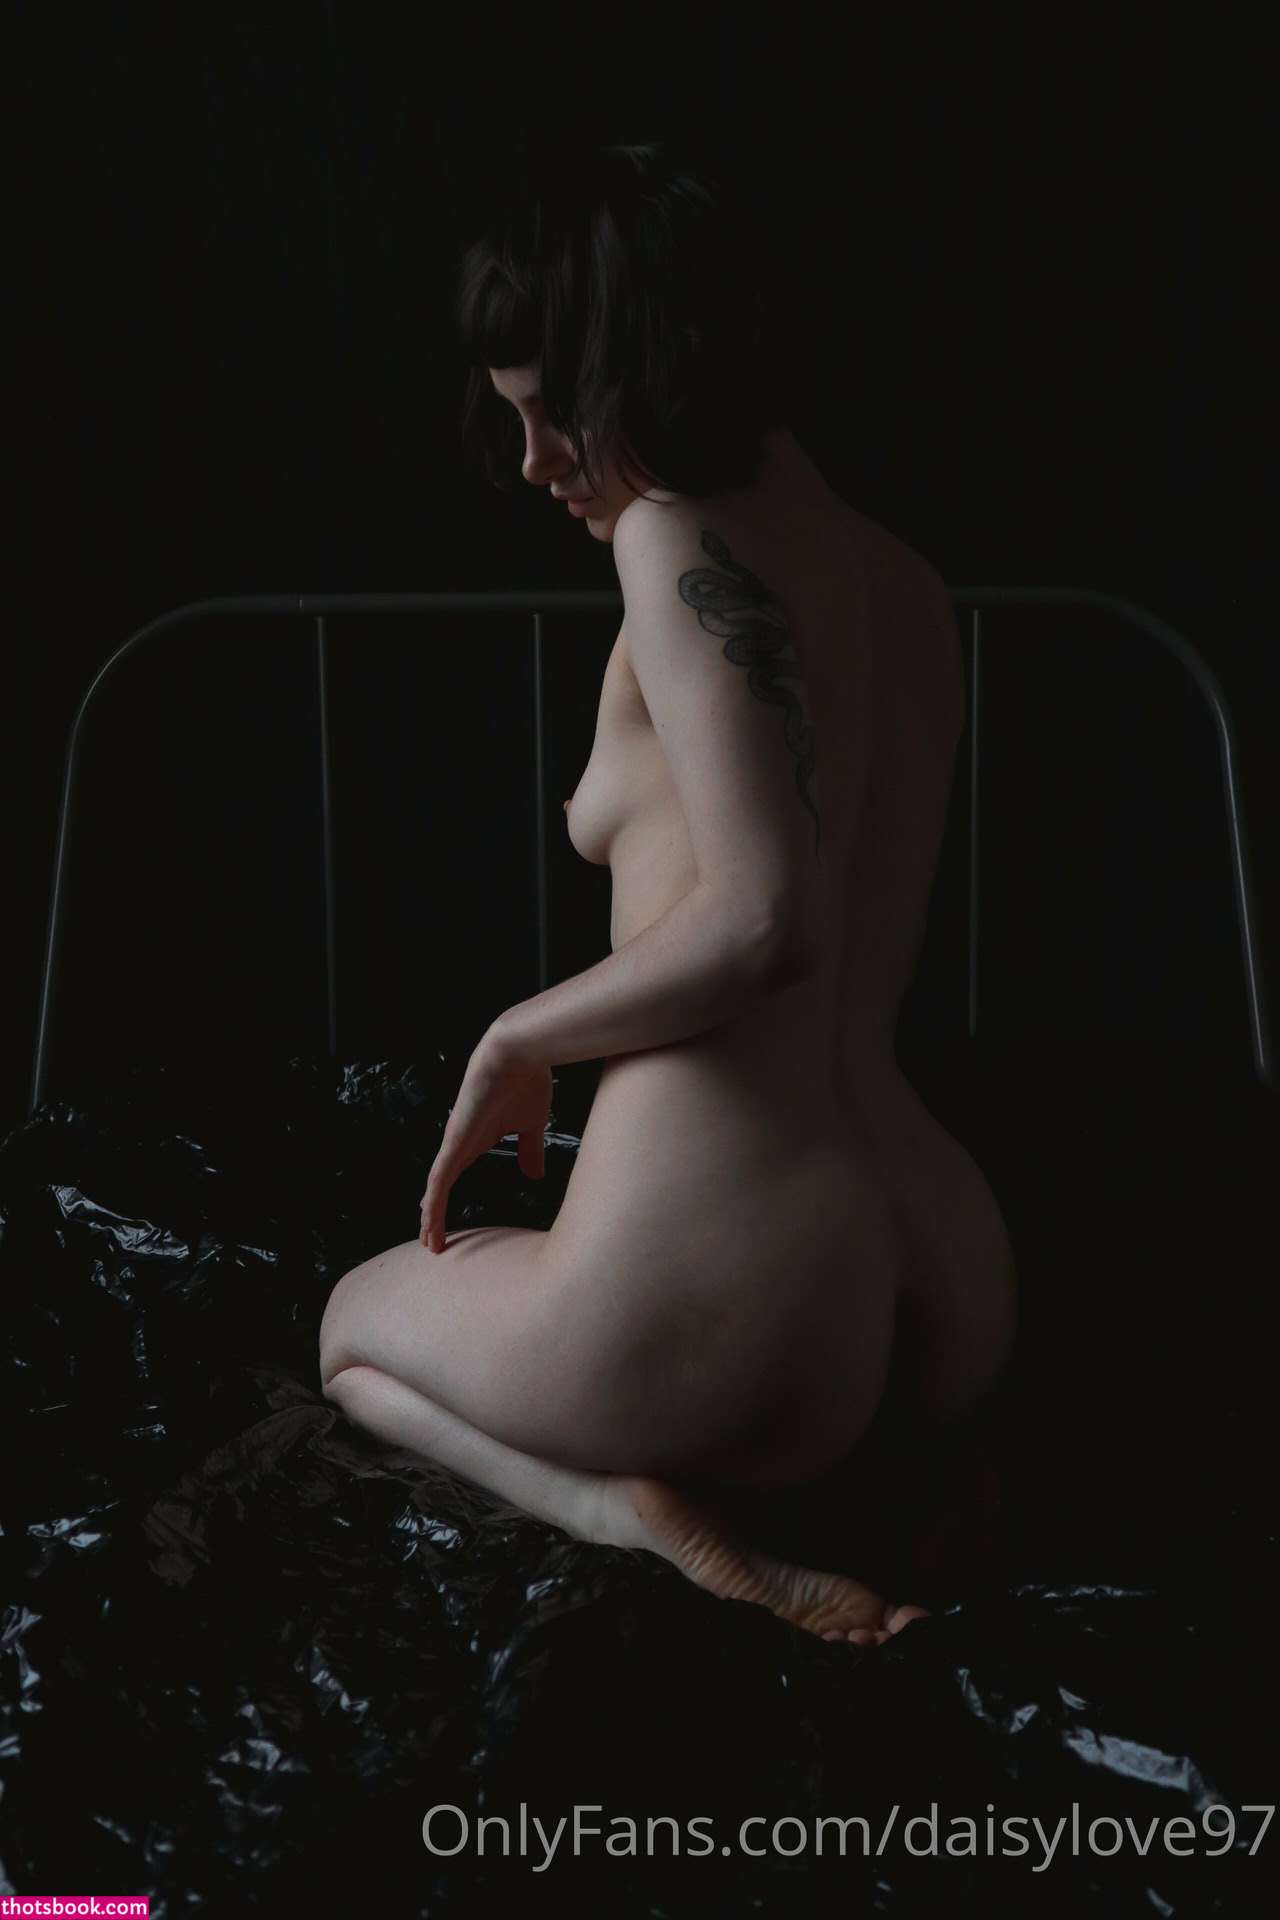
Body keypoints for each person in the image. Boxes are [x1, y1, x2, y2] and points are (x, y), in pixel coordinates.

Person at [318, 140, 1017, 1647]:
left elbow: (770, 919)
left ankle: (628, 1515)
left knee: (352, 1336)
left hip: (740, 1296)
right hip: (938, 1264)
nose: (534, 463)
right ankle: (894, 1479)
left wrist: (519, 1036)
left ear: (649, 369)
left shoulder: (672, 535)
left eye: (554, 412)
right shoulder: (903, 580)